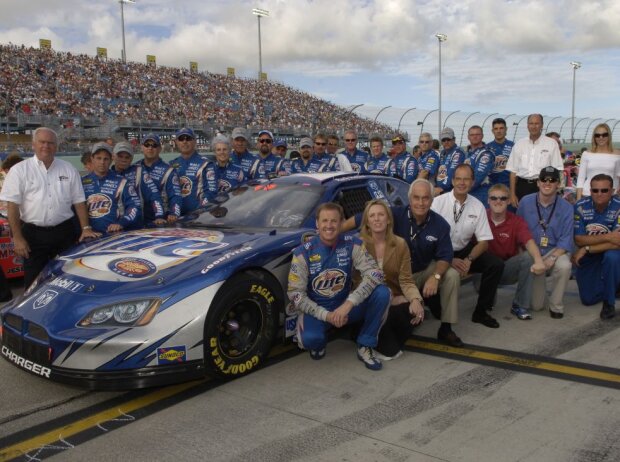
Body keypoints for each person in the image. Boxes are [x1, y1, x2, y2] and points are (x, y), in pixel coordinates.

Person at [287, 202, 390, 370]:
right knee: (311, 341)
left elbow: (375, 273)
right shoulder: (303, 252)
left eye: (334, 221)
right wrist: (326, 315)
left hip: (345, 305)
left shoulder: (352, 244)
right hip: (317, 309)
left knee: (383, 293)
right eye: (325, 221)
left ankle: (365, 344)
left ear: (341, 223)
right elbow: (295, 295)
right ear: (317, 224)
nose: (329, 225)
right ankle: (319, 337)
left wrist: (349, 304)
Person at [0, 127, 100, 288]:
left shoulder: (68, 169)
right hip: (33, 234)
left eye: (50, 143)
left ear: (56, 146)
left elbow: (79, 202)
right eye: (42, 142)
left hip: (64, 233)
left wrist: (86, 228)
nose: (46, 146)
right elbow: (12, 206)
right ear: (33, 144)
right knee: (33, 282)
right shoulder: (19, 170)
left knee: (69, 278)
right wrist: (17, 237)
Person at [431, 164, 504, 328]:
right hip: (439, 250)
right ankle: (432, 301)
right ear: (452, 181)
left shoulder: (477, 206)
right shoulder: (437, 203)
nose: (462, 183)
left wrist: (469, 260)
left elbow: (484, 242)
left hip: (464, 250)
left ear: (472, 182)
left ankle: (481, 312)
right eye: (458, 179)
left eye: (466, 179)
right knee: (437, 311)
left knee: (495, 265)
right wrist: (450, 259)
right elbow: (429, 240)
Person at [359, 199, 424, 359]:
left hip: (395, 299)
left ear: (388, 219)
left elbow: (406, 280)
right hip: (368, 301)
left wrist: (415, 300)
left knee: (414, 312)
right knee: (391, 350)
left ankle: (376, 334)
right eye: (372, 216)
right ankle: (368, 335)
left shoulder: (400, 244)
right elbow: (355, 283)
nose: (377, 219)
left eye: (381, 214)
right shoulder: (358, 245)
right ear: (367, 221)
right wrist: (388, 299)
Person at [517, 166, 573, 318]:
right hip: (533, 252)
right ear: (538, 182)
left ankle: (556, 306)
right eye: (544, 179)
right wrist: (529, 257)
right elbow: (519, 231)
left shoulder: (567, 207)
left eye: (552, 180)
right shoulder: (525, 202)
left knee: (564, 266)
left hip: (555, 250)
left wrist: (552, 258)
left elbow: (566, 239)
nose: (547, 183)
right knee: (536, 306)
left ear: (558, 184)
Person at [486, 184, 546, 320]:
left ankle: (520, 305)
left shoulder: (516, 221)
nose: (498, 201)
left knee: (528, 257)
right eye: (494, 198)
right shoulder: (480, 217)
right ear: (488, 200)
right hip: (486, 269)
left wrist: (538, 260)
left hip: (506, 268)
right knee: (487, 304)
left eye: (503, 198)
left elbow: (529, 241)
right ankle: (488, 295)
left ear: (508, 201)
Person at [573, 174, 620, 319]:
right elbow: (579, 240)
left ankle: (609, 302)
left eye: (604, 190)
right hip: (590, 256)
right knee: (588, 299)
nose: (599, 194)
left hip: (611, 252)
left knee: (611, 257)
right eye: (595, 190)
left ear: (612, 191)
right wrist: (608, 236)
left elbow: (618, 242)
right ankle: (614, 285)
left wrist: (588, 247)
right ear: (590, 191)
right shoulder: (580, 206)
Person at [82, 142, 142, 234]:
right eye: (99, 158)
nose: (102, 162)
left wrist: (122, 223)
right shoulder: (81, 182)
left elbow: (135, 206)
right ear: (92, 159)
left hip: (114, 235)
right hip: (90, 236)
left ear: (111, 160)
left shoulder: (123, 182)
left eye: (106, 159)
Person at [506, 114, 563, 207]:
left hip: (543, 187)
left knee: (542, 217)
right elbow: (513, 172)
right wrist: (512, 194)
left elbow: (558, 169)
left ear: (542, 125)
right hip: (522, 187)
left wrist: (557, 191)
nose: (534, 126)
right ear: (527, 125)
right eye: (531, 123)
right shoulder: (519, 144)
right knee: (522, 218)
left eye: (537, 123)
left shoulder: (551, 144)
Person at [112, 141, 166, 226]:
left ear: (132, 158)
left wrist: (159, 215)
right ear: (113, 156)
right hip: (113, 227)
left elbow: (153, 194)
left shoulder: (138, 171)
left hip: (136, 225)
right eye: (120, 156)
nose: (123, 159)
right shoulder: (108, 175)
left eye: (127, 157)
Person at [136, 132, 183, 223]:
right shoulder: (135, 168)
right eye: (147, 145)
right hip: (138, 221)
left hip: (160, 221)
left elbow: (176, 196)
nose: (150, 148)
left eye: (154, 145)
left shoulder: (169, 170)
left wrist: (174, 213)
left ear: (160, 149)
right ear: (142, 147)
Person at [170, 127, 218, 214]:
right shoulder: (171, 164)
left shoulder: (206, 164)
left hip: (198, 218)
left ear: (194, 141)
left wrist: (200, 210)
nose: (185, 142)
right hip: (175, 217)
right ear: (176, 142)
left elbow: (211, 192)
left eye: (188, 138)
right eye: (181, 139)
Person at [575, 123, 620, 200]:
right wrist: (578, 200)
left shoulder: (617, 155)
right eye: (597, 135)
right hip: (588, 195)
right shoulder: (586, 154)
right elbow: (581, 179)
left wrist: (616, 194)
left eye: (604, 134)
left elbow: (618, 177)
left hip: (610, 197)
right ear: (594, 137)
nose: (601, 137)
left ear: (609, 136)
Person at [464, 125, 495, 205]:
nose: (475, 137)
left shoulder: (486, 153)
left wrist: (460, 190)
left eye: (477, 134)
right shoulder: (468, 153)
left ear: (482, 136)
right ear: (468, 137)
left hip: (481, 194)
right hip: (468, 194)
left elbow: (478, 177)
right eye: (472, 135)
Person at [435, 127, 465, 196]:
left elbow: (452, 173)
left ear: (454, 139)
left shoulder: (458, 153)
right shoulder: (442, 153)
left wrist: (441, 188)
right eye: (443, 140)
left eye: (448, 139)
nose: (446, 142)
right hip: (441, 191)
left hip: (450, 192)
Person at [487, 118, 514, 189]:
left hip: (509, 187)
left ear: (506, 129)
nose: (498, 131)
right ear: (492, 131)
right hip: (492, 187)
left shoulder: (513, 146)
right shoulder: (487, 148)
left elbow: (516, 170)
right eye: (496, 129)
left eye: (501, 128)